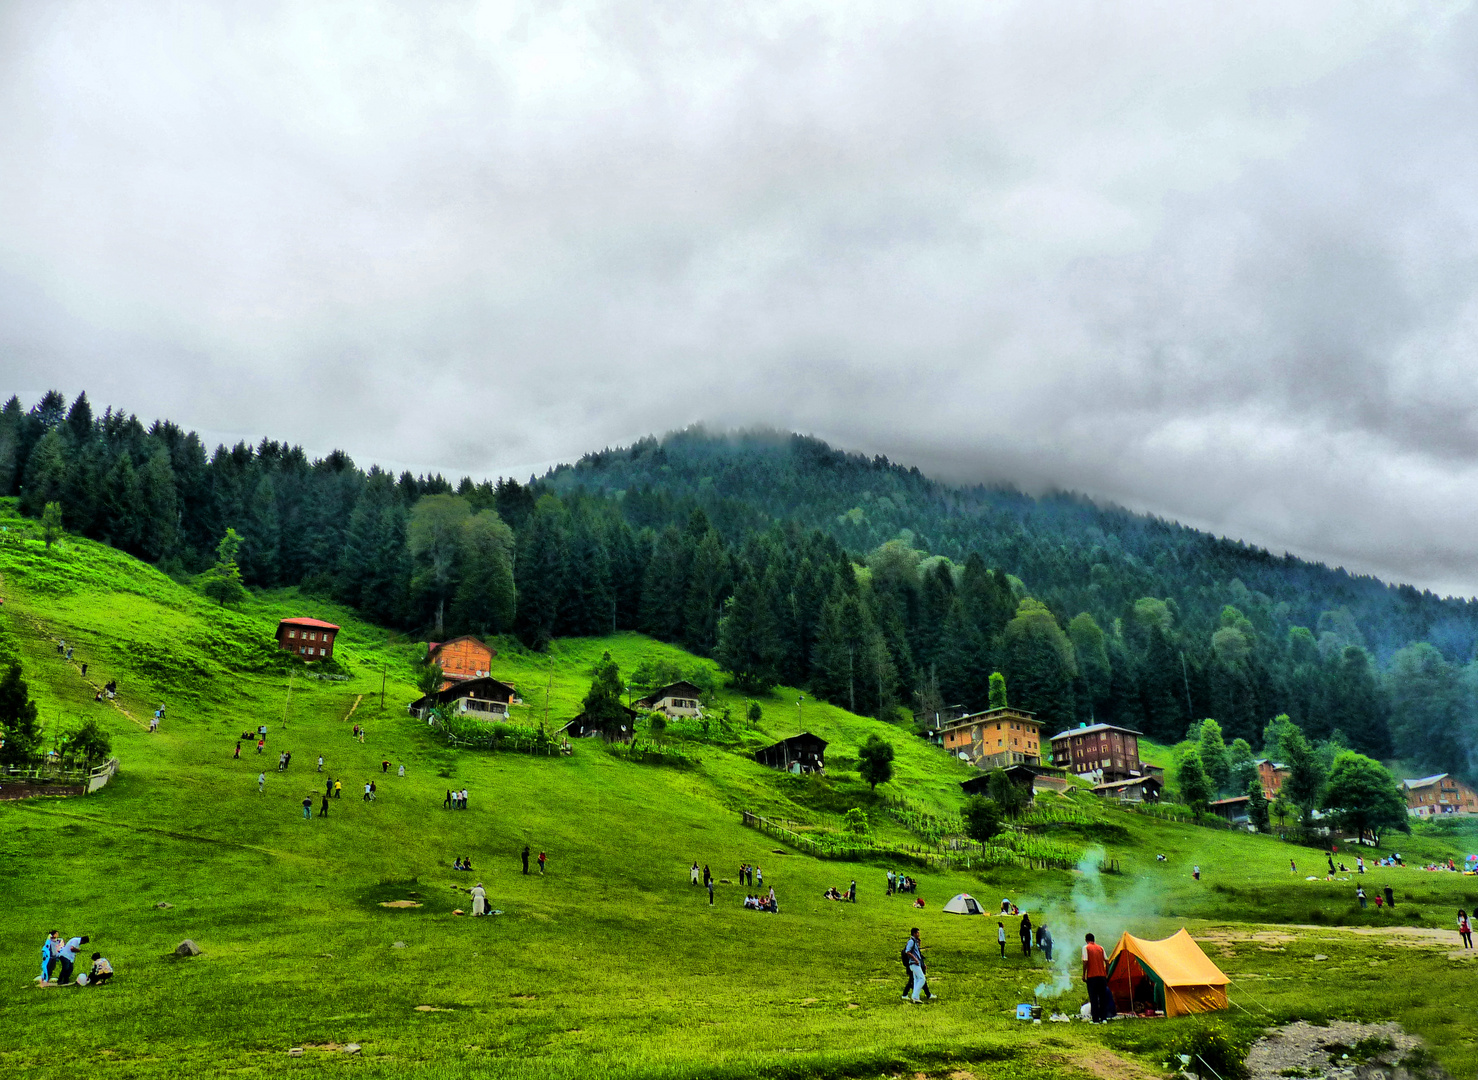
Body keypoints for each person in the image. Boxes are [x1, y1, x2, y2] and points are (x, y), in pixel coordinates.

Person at [1083, 933, 1109, 1022]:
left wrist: (1084, 974)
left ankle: (1095, 1019)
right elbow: (1107, 960)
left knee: (1093, 998)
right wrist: (1107, 973)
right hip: (1102, 977)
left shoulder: (1086, 948)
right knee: (1102, 998)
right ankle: (1104, 1018)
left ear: (1086, 940)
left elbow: (1085, 961)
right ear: (1094, 940)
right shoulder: (1100, 948)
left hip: (1092, 976)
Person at [902, 927, 932, 1002]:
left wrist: (922, 963)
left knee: (916, 980)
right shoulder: (911, 941)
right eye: (918, 932)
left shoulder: (915, 942)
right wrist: (915, 959)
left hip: (916, 963)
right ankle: (915, 996)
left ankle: (916, 996)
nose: (919, 934)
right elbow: (907, 951)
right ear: (914, 933)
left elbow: (918, 954)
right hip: (914, 963)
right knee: (922, 979)